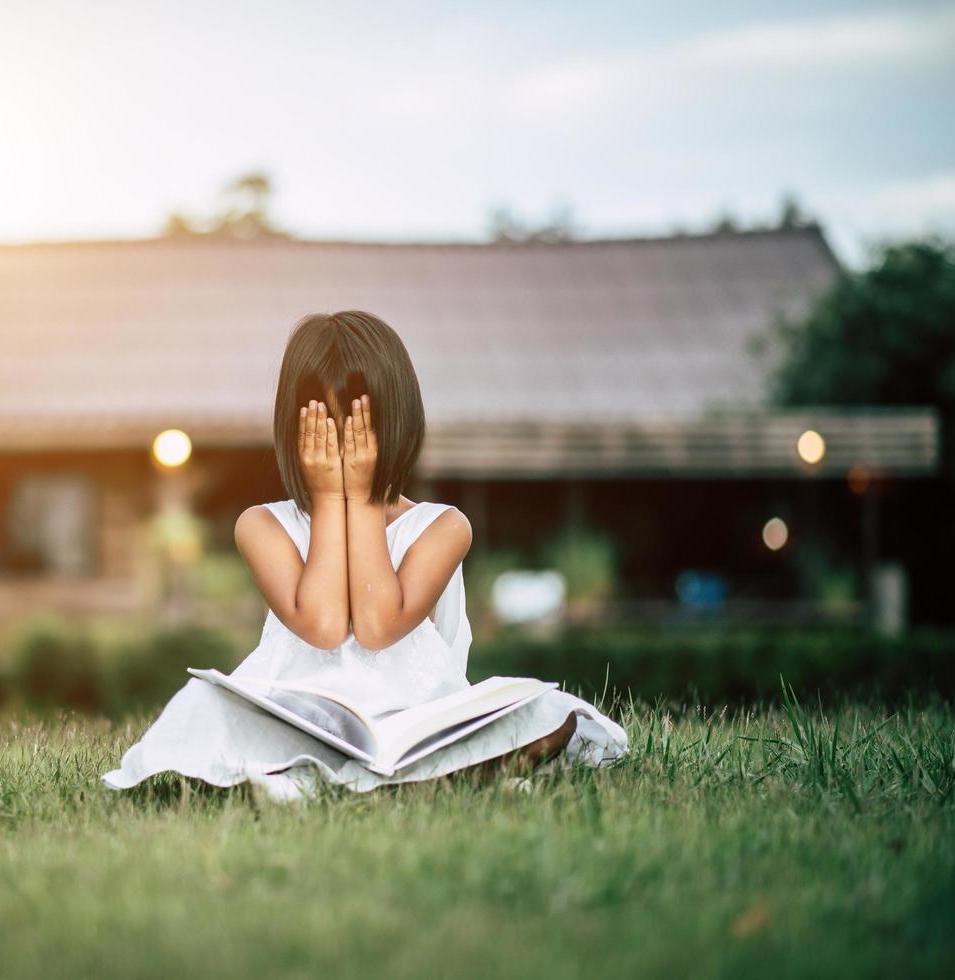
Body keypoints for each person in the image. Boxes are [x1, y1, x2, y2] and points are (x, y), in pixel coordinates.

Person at [101, 311, 627, 800]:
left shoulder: (442, 527)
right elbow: (325, 625)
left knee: (547, 709)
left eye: (357, 424)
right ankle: (407, 780)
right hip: (296, 711)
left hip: (418, 716)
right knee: (202, 704)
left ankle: (384, 774)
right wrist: (332, 499)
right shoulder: (263, 525)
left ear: (396, 423)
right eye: (323, 426)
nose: (343, 446)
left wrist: (366, 502)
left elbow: (378, 625)